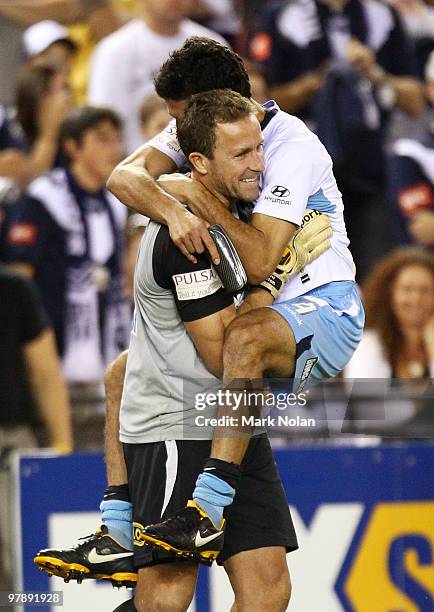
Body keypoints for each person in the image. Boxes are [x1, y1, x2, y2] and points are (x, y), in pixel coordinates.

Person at [34, 35, 360, 585]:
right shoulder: (198, 132)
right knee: (123, 372)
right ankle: (116, 529)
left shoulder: (292, 148)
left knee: (242, 344)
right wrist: (173, 207)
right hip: (260, 309)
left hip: (322, 309)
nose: (176, 133)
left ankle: (206, 511)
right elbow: (123, 176)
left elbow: (258, 260)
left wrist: (191, 194)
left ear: (217, 105)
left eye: (182, 117)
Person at [39, 92, 299, 612]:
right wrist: (271, 286)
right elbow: (221, 353)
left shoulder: (234, 221)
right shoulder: (184, 236)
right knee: (165, 595)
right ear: (200, 163)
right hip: (176, 425)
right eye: (241, 155)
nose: (258, 165)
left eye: (257, 150)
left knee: (268, 588)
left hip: (231, 426)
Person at [248, 0, 425, 278]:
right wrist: (320, 82)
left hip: (369, 171)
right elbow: (258, 101)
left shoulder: (382, 15)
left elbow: (416, 100)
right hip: (299, 173)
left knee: (373, 273)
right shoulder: (283, 16)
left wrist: (373, 73)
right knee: (306, 277)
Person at [1, 107, 130, 385]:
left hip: (107, 347)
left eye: (118, 139)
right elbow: (19, 275)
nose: (114, 149)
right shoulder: (45, 198)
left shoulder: (117, 200)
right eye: (102, 139)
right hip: (52, 348)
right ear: (73, 146)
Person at [0, 264, 73, 589]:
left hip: (10, 445)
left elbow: (46, 374)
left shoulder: (13, 289)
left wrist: (62, 451)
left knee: (21, 559)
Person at [88, 0, 226, 153]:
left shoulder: (213, 45)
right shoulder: (113, 51)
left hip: (202, 159)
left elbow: (227, 112)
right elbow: (105, 123)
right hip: (135, 162)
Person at [344, 247, 434, 432]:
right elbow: (369, 415)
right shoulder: (368, 344)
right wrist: (421, 406)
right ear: (390, 295)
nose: (416, 299)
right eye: (407, 290)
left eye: (426, 291)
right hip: (382, 452)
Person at [0, 63, 73, 187]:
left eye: (67, 89)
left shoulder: (73, 138)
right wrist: (49, 133)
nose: (67, 99)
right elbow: (34, 180)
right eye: (59, 91)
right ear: (39, 97)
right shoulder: (11, 136)